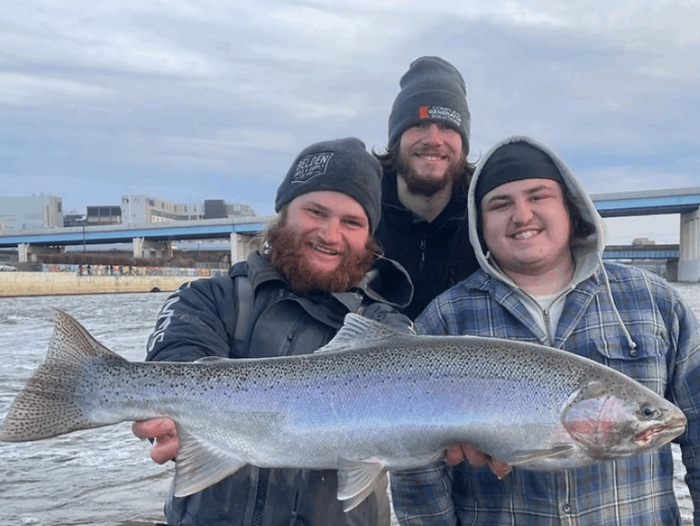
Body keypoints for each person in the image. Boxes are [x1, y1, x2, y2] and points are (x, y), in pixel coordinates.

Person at [390, 135, 700, 525]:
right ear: (479, 225)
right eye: (500, 204)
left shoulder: (654, 300)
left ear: (571, 209)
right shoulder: (445, 319)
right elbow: (414, 470)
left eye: (538, 197)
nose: (522, 215)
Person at [132, 137, 414, 526]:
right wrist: (172, 424)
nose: (330, 235)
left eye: (352, 222)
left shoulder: (388, 327)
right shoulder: (210, 298)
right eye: (316, 212)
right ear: (283, 215)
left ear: (370, 237)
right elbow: (176, 359)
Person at [374, 56, 479, 319]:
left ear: (463, 142)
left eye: (446, 127)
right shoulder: (362, 209)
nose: (434, 140)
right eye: (419, 124)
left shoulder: (485, 213)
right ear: (396, 138)